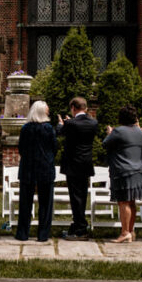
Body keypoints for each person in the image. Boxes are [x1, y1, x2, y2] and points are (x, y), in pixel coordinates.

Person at [103, 104, 142, 243]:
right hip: (138, 170)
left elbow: (105, 144)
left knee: (123, 202)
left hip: (123, 170)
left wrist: (110, 133)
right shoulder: (140, 131)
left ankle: (124, 232)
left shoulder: (119, 131)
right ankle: (131, 231)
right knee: (132, 202)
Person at [56, 97, 97, 241]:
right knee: (82, 196)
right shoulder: (93, 122)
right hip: (85, 164)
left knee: (75, 198)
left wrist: (61, 124)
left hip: (73, 165)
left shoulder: (71, 123)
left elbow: (61, 132)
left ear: (73, 108)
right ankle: (78, 224)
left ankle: (80, 229)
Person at [15, 100, 56, 243]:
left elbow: (21, 148)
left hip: (28, 168)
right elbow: (54, 148)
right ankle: (43, 234)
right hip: (45, 168)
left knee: (25, 203)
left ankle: (22, 233)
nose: (48, 112)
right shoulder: (49, 129)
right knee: (46, 203)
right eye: (47, 110)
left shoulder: (25, 128)